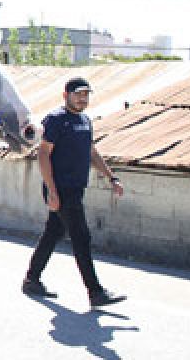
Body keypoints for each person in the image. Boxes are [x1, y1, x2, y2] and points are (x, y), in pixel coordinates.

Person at [22, 77, 127, 307]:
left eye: (86, 94)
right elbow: (43, 154)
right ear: (66, 95)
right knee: (81, 237)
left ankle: (32, 279)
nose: (82, 98)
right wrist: (51, 190)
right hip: (60, 188)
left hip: (75, 188)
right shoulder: (56, 119)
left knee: (53, 233)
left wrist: (112, 177)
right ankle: (95, 292)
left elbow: (91, 152)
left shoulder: (85, 121)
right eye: (78, 94)